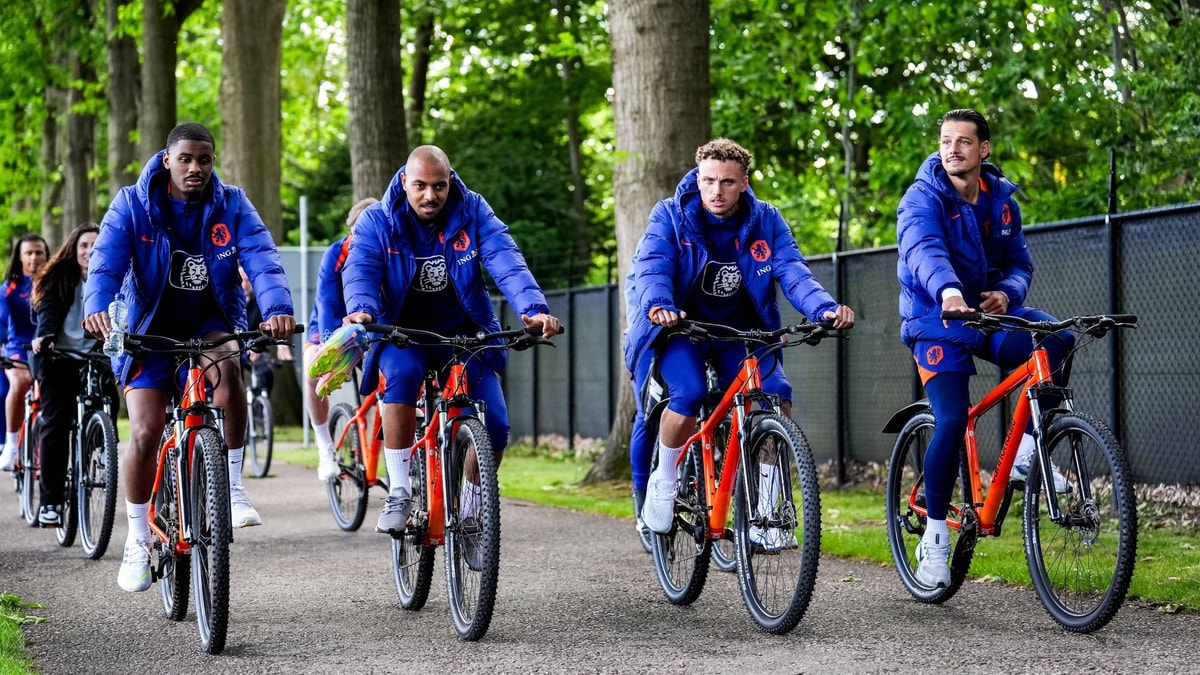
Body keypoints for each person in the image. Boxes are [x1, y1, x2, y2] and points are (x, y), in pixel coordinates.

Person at [83, 122, 296, 592]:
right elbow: (105, 263)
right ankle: (138, 538)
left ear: (213, 161)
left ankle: (232, 488)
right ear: (167, 160)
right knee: (145, 430)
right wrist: (96, 306)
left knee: (229, 371)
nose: (195, 167)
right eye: (185, 159)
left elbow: (262, 258)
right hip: (150, 327)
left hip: (210, 319)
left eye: (204, 159)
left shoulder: (233, 204)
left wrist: (277, 309)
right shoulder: (131, 204)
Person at [627, 138, 855, 547]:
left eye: (728, 182)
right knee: (689, 392)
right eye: (709, 181)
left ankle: (767, 507)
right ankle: (664, 479)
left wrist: (823, 308)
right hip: (682, 328)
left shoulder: (767, 219)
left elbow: (793, 271)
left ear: (744, 183)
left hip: (740, 331)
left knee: (775, 393)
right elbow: (653, 267)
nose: (717, 191)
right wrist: (660, 305)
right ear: (698, 178)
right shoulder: (670, 215)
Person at [340, 145, 560, 544]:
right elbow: (361, 269)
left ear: (450, 181)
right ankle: (400, 491)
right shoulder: (377, 220)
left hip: (463, 334)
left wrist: (533, 309)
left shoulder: (472, 210)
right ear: (404, 182)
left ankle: (473, 511)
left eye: (439, 186)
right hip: (402, 334)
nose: (431, 195)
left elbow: (506, 259)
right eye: (420, 186)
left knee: (496, 425)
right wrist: (361, 309)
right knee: (403, 376)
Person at [896, 108, 1074, 588]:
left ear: (984, 149)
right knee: (953, 420)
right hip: (936, 320)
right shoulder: (921, 197)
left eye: (964, 141)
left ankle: (1027, 452)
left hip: (987, 315)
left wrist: (1007, 294)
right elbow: (923, 250)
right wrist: (949, 291)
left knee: (1058, 338)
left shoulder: (1002, 201)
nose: (952, 149)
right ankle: (935, 538)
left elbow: (1019, 263)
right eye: (945, 140)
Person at [30, 224, 115, 527]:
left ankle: (104, 448)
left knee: (109, 395)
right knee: (56, 424)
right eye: (84, 246)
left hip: (94, 356)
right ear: (74, 250)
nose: (90, 251)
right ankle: (50, 503)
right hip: (59, 355)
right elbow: (48, 312)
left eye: (95, 245)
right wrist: (45, 337)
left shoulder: (112, 277)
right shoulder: (59, 278)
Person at [304, 197, 378, 482]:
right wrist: (329, 347)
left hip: (372, 324)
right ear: (351, 231)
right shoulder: (335, 254)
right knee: (313, 372)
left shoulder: (386, 249)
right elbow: (326, 303)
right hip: (333, 321)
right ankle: (325, 446)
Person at [0, 234, 49, 472]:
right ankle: (11, 444)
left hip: (49, 347)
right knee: (20, 382)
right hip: (18, 348)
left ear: (46, 255)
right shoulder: (9, 288)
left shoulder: (55, 282)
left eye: (39, 252)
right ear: (19, 257)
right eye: (28, 253)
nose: (34, 257)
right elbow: (1, 318)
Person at [239, 264, 294, 397]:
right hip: (235, 349)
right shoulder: (230, 302)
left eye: (248, 281)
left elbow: (272, 321)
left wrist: (281, 345)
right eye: (242, 281)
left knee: (266, 370)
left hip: (258, 347)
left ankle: (263, 397)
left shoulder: (261, 302)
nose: (245, 285)